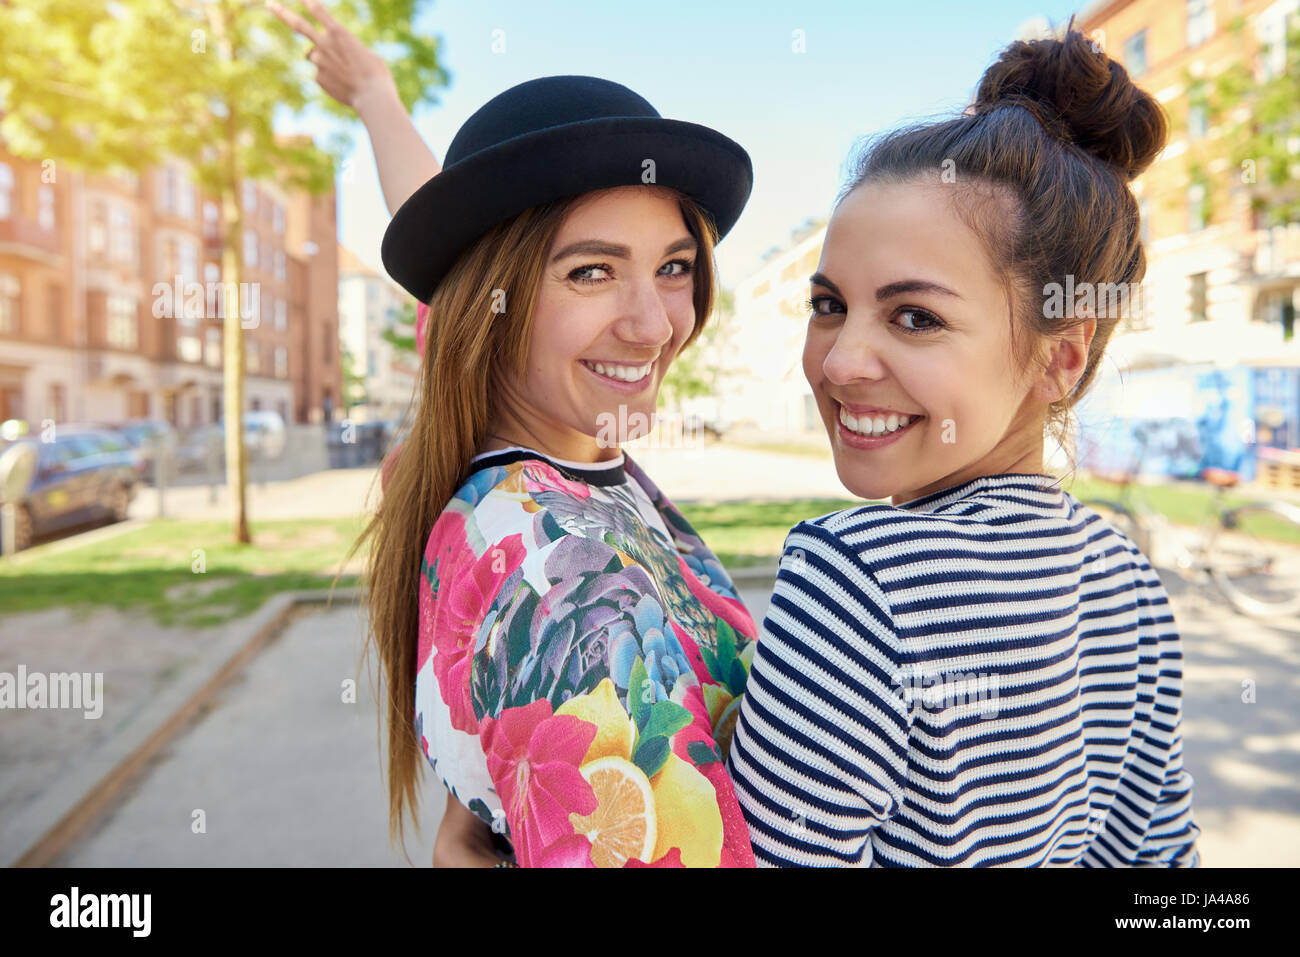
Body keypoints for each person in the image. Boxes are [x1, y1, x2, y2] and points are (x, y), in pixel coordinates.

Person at [282, 15, 761, 863]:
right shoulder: (569, 590)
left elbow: (428, 219)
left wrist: (374, 96)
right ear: (489, 300)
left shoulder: (518, 446)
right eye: (591, 271)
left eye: (674, 265)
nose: (653, 324)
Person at [725, 25, 1201, 867]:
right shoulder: (1129, 584)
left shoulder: (855, 579)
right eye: (830, 303)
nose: (838, 360)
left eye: (916, 317)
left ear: (1060, 356)